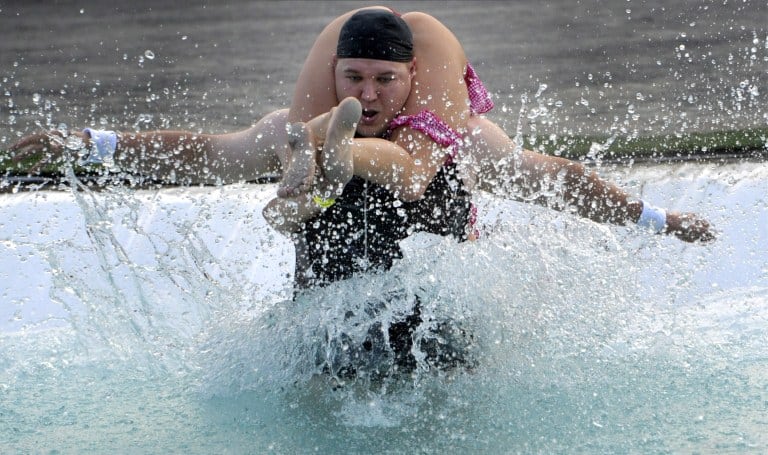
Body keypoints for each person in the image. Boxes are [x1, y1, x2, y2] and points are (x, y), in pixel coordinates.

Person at [8, 7, 714, 378]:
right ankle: (311, 189)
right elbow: (215, 152)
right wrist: (99, 144)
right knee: (299, 206)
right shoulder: (299, 124)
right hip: (335, 291)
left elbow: (556, 178)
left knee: (398, 186)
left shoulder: (463, 138)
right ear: (337, 74)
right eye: (356, 80)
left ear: (411, 81)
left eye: (384, 82)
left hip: (436, 298)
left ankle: (330, 171)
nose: (370, 93)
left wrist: (653, 218)